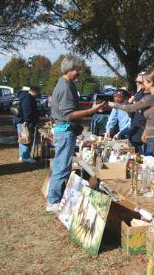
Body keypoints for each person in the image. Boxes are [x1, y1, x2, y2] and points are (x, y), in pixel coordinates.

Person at [47, 55, 105, 213]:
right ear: (69, 69)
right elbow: (68, 115)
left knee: (62, 165)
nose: (79, 72)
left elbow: (74, 106)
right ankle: (53, 201)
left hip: (67, 131)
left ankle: (55, 197)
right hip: (65, 131)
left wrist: (91, 107)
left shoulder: (69, 84)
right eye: (77, 69)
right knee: (62, 166)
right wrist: (90, 111)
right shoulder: (65, 87)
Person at [110, 70, 154, 156]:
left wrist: (116, 105)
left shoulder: (152, 98)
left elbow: (130, 108)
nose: (142, 84)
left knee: (150, 166)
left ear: (151, 83)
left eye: (144, 82)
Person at [14, 86, 40, 163]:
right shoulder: (28, 98)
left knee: (22, 138)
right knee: (26, 138)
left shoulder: (23, 95)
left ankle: (22, 156)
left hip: (20, 120)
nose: (37, 95)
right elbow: (27, 110)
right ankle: (25, 157)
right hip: (24, 122)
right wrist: (26, 121)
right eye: (38, 93)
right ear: (35, 92)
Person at [127, 72, 149, 153]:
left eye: (139, 82)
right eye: (136, 81)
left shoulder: (151, 96)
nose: (137, 84)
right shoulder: (137, 94)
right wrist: (130, 103)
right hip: (134, 133)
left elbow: (145, 113)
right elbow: (130, 114)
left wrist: (135, 107)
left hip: (145, 135)